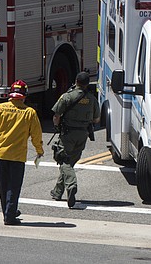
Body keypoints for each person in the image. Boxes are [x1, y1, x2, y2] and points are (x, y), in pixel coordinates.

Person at [0, 80, 44, 225]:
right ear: (24, 96)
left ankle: (8, 211)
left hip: (2, 153)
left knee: (3, 185)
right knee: (14, 186)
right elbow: (36, 135)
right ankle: (10, 216)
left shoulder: (1, 108)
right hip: (18, 155)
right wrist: (39, 151)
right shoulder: (29, 113)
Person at [51, 71, 100, 208]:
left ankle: (72, 185)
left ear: (76, 81)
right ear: (87, 84)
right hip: (83, 134)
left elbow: (56, 115)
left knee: (64, 160)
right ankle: (57, 191)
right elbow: (97, 119)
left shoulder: (67, 96)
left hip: (68, 134)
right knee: (70, 163)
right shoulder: (92, 99)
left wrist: (57, 127)